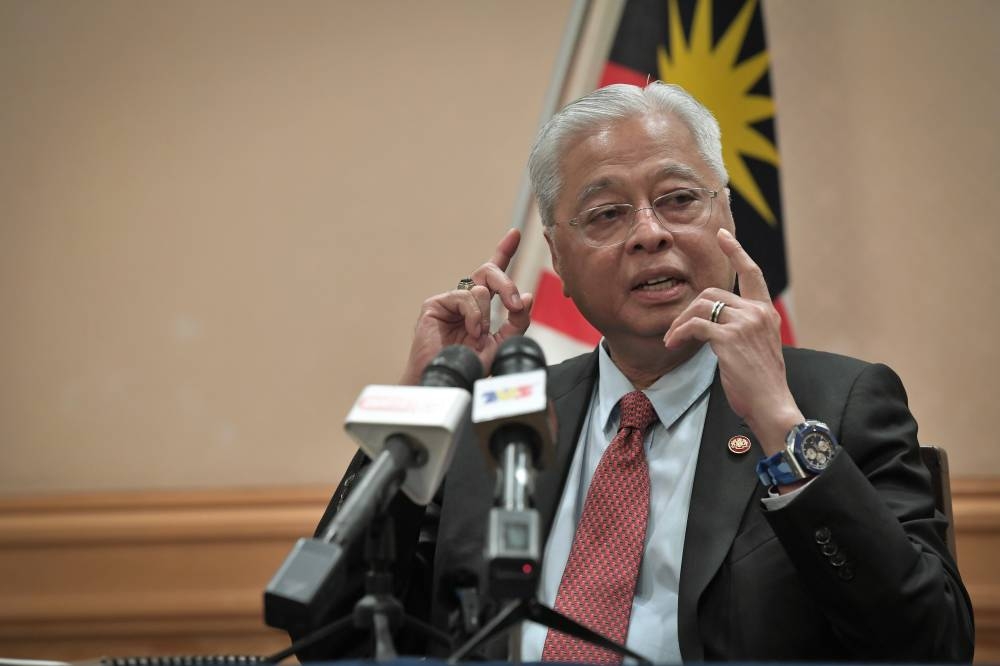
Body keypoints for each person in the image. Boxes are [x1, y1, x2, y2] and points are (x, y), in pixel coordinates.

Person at [300, 82, 974, 662]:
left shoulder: (838, 403)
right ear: (557, 259)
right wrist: (425, 404)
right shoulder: (498, 417)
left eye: (679, 199)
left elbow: (930, 645)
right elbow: (330, 635)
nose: (649, 233)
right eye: (607, 213)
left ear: (727, 218)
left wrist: (778, 422)